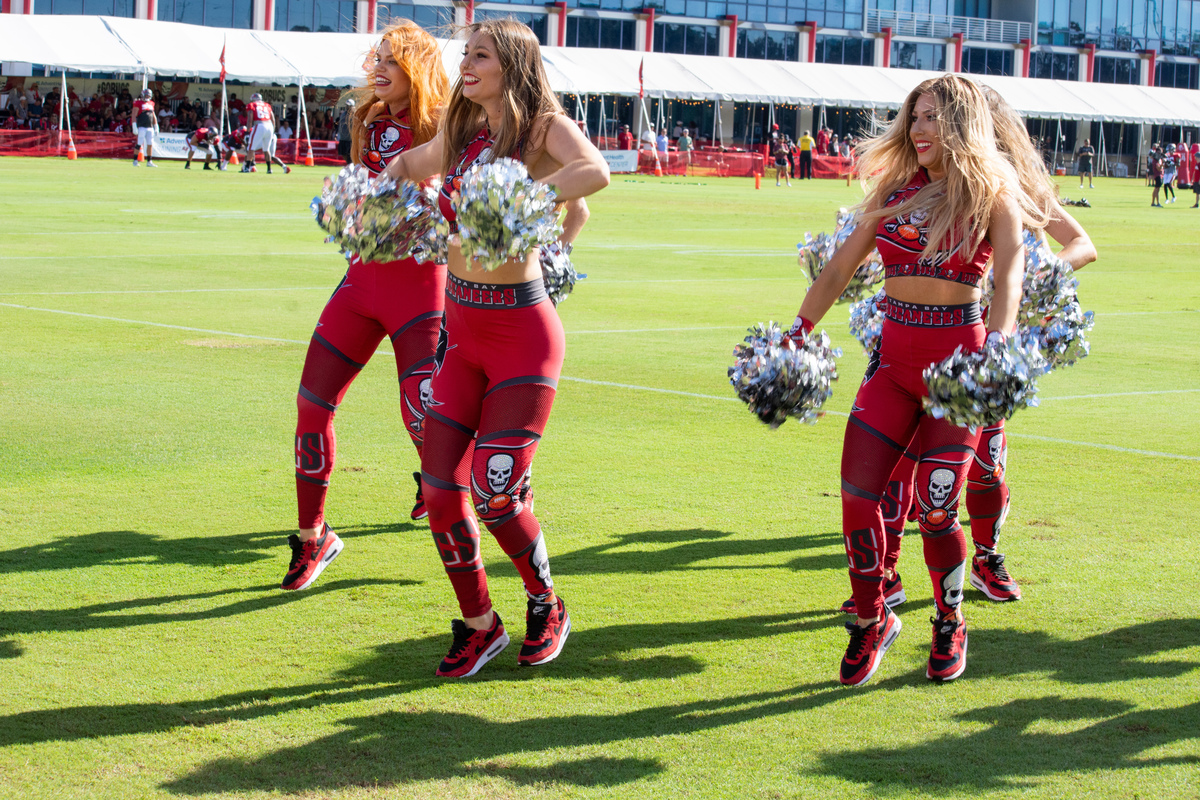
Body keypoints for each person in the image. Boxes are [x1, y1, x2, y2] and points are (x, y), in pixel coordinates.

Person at [788, 75, 1047, 687]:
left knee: (934, 507)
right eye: (914, 117)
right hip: (894, 365)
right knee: (857, 493)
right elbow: (840, 269)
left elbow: (1008, 276)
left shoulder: (994, 194)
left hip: (958, 370)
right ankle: (873, 617)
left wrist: (1002, 346)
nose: (919, 129)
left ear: (960, 124)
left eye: (932, 117)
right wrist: (798, 329)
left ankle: (950, 620)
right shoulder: (895, 189)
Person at [381, 19, 609, 677]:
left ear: (511, 63)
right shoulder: (459, 132)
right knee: (440, 486)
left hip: (522, 335)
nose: (467, 64)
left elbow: (593, 172)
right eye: (465, 55)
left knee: (496, 490)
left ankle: (546, 602)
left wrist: (525, 201)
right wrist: (386, 203)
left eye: (479, 55)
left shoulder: (537, 128)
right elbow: (404, 166)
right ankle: (481, 624)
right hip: (463, 335)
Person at [842, 86, 1098, 615]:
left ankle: (986, 556)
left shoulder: (1012, 184)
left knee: (986, 462)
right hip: (921, 332)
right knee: (902, 466)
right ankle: (885, 576)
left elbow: (1082, 244)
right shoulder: (922, 182)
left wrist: (1033, 282)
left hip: (983, 334)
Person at [284, 21, 451, 592]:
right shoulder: (367, 121)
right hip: (362, 281)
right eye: (375, 58)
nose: (377, 69)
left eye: (392, 61)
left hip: (423, 289)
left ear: (418, 71)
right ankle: (313, 537)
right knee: (311, 405)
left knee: (424, 420)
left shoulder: (450, 126)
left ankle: (447, 484)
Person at [244, 92, 277, 173]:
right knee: (266, 149)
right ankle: (269, 169)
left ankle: (247, 167)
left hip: (259, 125)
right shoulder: (267, 105)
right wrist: (273, 130)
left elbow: (250, 118)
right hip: (269, 126)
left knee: (251, 148)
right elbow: (273, 119)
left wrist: (248, 131)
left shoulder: (252, 105)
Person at [130, 88, 159, 167]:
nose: (147, 96)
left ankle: (149, 161)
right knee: (139, 143)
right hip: (141, 126)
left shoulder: (151, 103)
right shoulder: (138, 103)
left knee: (150, 144)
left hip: (150, 127)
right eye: (146, 95)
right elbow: (134, 114)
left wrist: (156, 125)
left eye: (148, 95)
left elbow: (153, 115)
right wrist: (134, 126)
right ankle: (135, 161)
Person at [336, 98, 355, 163]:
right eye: (347, 105)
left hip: (350, 139)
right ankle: (348, 163)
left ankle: (350, 164)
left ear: (352, 106)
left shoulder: (355, 115)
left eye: (349, 106)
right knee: (343, 153)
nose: (347, 107)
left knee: (350, 154)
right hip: (343, 138)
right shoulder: (343, 114)